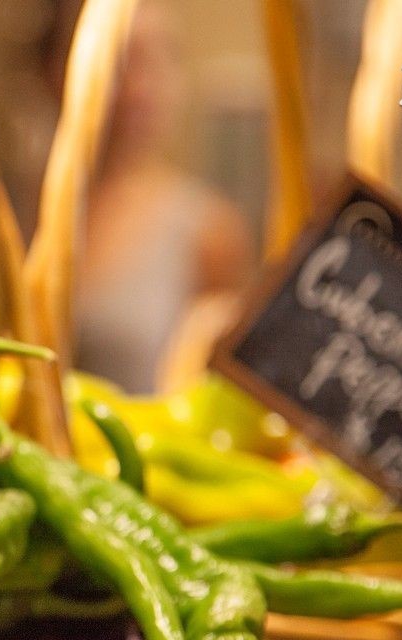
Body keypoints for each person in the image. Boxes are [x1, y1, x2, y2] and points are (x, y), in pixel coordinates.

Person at [68, 0, 256, 394]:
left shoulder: (208, 230)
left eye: (163, 58)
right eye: (123, 61)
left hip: (137, 451)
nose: (143, 86)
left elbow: (223, 391)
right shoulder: (3, 214)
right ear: (63, 67)